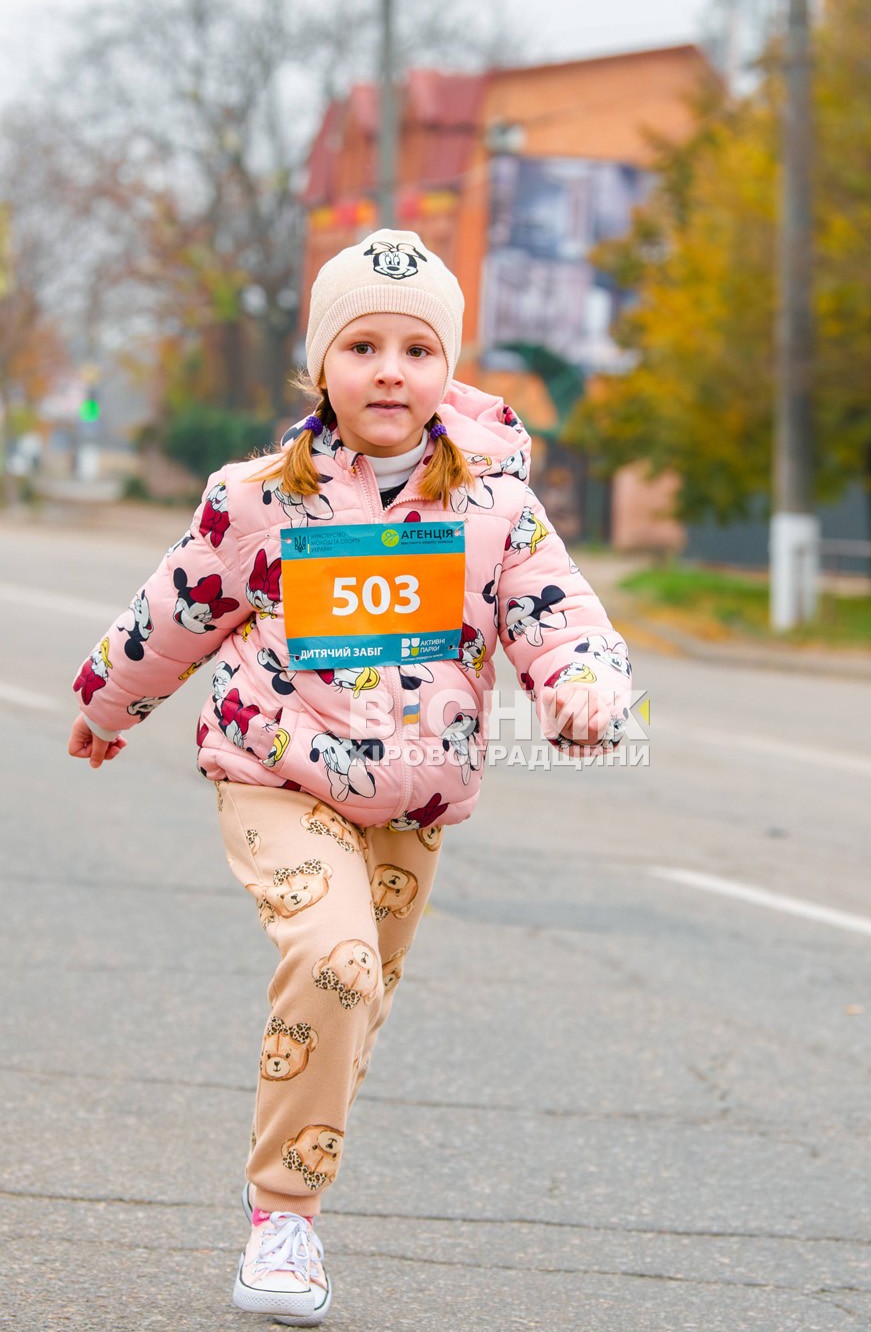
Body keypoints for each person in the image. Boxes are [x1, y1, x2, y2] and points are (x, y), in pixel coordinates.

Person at [68, 227, 633, 1324]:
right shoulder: (255, 499)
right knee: (332, 961)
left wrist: (585, 692)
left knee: (358, 995)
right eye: (361, 345)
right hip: (276, 771)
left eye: (417, 350)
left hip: (410, 806)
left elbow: (560, 619)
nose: (389, 369)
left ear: (447, 369)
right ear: (320, 364)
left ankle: (291, 1188)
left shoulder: (495, 509)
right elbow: (170, 611)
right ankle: (284, 1220)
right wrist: (107, 704)